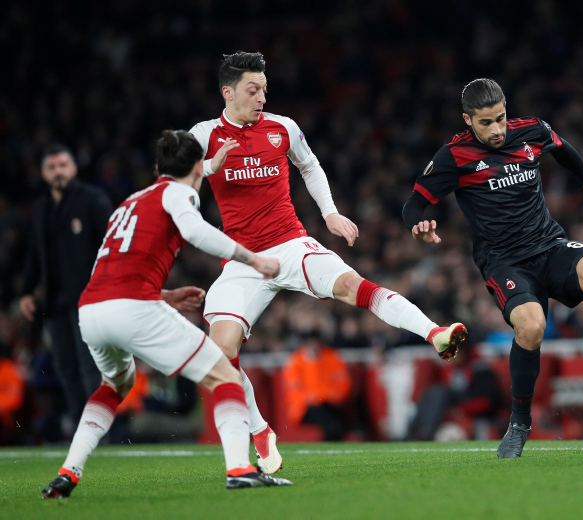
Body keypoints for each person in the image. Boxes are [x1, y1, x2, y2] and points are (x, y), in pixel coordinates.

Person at [189, 51, 467, 468]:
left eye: (264, 89)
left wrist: (330, 213)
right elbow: (171, 175)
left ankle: (435, 333)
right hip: (243, 260)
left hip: (290, 244)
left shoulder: (283, 128)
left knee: (353, 286)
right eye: (252, 90)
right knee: (220, 352)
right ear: (227, 92)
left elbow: (310, 165)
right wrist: (211, 165)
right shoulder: (204, 134)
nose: (262, 97)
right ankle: (260, 431)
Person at [402, 78, 583, 458]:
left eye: (500, 118)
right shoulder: (453, 157)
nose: (497, 129)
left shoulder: (531, 130)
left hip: (549, 245)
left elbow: (562, 149)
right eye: (486, 122)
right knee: (532, 326)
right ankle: (519, 423)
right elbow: (413, 205)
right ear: (468, 120)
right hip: (504, 261)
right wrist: (418, 226)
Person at [42, 130, 292, 498]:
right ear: (197, 167)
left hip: (92, 310)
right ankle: (240, 469)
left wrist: (166, 295)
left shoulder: (129, 202)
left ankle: (68, 472)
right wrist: (253, 259)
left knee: (114, 386)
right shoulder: (179, 192)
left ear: (159, 168)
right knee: (226, 375)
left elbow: (110, 269)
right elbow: (196, 231)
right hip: (134, 308)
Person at [20, 145, 113, 433]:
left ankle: (103, 431)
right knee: (67, 368)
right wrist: (27, 291)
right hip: (55, 303)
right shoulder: (42, 208)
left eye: (62, 165)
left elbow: (113, 244)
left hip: (89, 299)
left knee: (90, 366)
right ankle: (81, 428)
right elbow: (35, 252)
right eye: (51, 167)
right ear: (43, 173)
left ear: (73, 168)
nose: (58, 172)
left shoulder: (92, 200)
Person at [283, 330, 352, 441]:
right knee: (331, 424)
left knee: (339, 422)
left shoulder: (331, 356)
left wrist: (325, 395)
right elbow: (295, 392)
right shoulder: (297, 360)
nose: (314, 346)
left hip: (329, 404)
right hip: (304, 408)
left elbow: (342, 384)